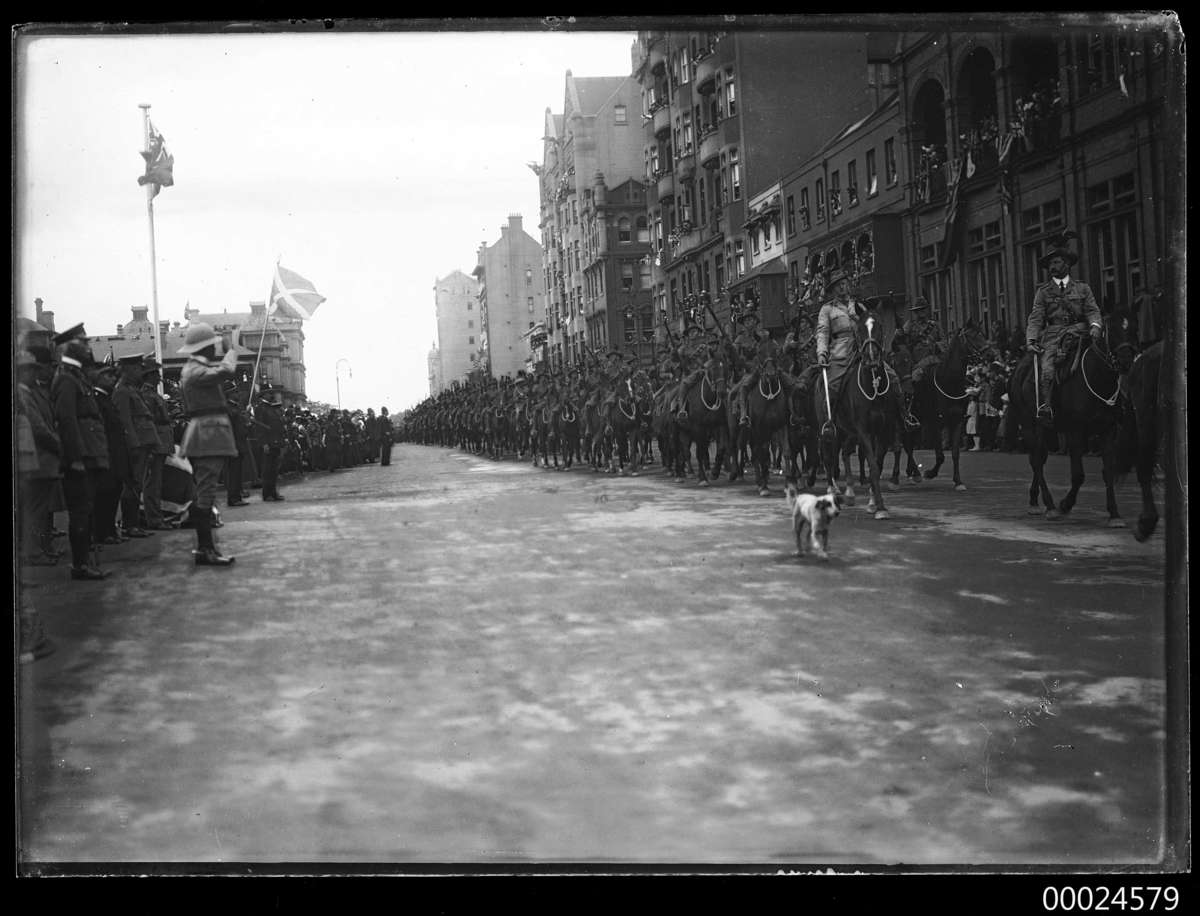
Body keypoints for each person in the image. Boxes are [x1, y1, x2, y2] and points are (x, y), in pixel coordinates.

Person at [51, 333, 111, 580]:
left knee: (86, 509)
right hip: (81, 457)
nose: (88, 346)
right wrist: (75, 457)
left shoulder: (76, 377)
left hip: (90, 454)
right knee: (80, 511)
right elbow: (67, 420)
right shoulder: (66, 378)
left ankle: (84, 562)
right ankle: (80, 565)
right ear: (70, 347)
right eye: (83, 342)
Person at [178, 322, 239, 566]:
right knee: (206, 492)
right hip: (207, 434)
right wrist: (231, 350)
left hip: (207, 432)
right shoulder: (195, 370)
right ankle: (205, 549)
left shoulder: (194, 368)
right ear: (205, 347)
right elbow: (225, 371)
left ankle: (205, 548)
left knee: (206, 490)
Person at [1026, 240, 1101, 422]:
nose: (1053, 266)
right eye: (1050, 263)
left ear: (1067, 264)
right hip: (1054, 335)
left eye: (1057, 262)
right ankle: (1047, 406)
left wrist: (1095, 326)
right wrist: (1031, 339)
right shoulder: (1043, 292)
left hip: (1081, 331)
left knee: (1104, 359)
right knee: (1047, 369)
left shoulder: (1082, 288)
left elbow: (1092, 310)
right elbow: (1036, 317)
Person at [18, 347, 64, 566]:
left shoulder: (34, 390)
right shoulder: (23, 392)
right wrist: (58, 445)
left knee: (41, 508)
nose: (33, 374)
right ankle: (34, 553)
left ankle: (41, 549)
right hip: (36, 456)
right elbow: (38, 427)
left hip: (43, 457)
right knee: (35, 509)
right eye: (28, 370)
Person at [113, 353, 159, 537]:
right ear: (129, 369)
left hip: (144, 443)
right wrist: (133, 445)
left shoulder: (131, 389)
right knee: (132, 485)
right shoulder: (122, 391)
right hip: (137, 445)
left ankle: (132, 524)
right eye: (138, 368)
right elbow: (125, 421)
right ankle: (129, 525)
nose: (141, 372)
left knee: (137, 485)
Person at [140, 357, 177, 529]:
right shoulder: (147, 395)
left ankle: (156, 516)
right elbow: (150, 422)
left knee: (157, 483)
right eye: (155, 374)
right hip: (156, 443)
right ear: (148, 376)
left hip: (161, 442)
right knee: (152, 484)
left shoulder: (153, 394)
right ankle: (154, 519)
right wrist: (153, 445)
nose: (158, 378)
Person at [254, 385, 286, 501]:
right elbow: (260, 428)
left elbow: (278, 426)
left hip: (275, 442)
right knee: (267, 470)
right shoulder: (261, 408)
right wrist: (264, 443)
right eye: (268, 393)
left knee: (274, 470)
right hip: (268, 443)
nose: (271, 395)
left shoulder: (271, 408)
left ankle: (273, 492)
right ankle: (267, 493)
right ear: (263, 395)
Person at [224, 380, 251, 507]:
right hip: (233, 444)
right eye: (235, 392)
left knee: (237, 472)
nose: (237, 394)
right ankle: (233, 498)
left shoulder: (236, 407)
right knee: (234, 472)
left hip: (239, 442)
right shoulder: (228, 408)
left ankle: (237, 496)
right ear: (229, 394)